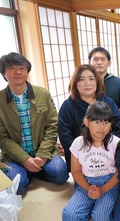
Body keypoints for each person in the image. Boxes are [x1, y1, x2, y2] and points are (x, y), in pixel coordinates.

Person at [0, 52, 68, 195]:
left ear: (27, 71)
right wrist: (24, 159)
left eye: (22, 68)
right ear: (4, 73)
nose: (18, 72)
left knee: (61, 175)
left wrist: (43, 155)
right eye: (12, 68)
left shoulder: (42, 93)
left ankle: (33, 169)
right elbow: (2, 137)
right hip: (14, 156)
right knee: (17, 187)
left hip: (42, 151)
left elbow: (52, 126)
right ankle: (28, 169)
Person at [62, 101, 120, 221]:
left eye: (106, 122)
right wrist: (88, 188)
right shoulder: (78, 143)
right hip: (86, 182)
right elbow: (76, 171)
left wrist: (103, 189)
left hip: (109, 184)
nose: (102, 127)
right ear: (86, 122)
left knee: (101, 217)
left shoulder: (116, 143)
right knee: (70, 215)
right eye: (97, 122)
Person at [58, 64, 120, 172]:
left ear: (97, 82)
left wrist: (103, 148)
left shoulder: (108, 102)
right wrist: (85, 152)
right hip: (80, 159)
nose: (87, 83)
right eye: (82, 79)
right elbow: (65, 136)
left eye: (91, 79)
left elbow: (117, 128)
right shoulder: (67, 106)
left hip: (108, 154)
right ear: (75, 84)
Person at [88, 46, 120, 114]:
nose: (99, 62)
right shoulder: (84, 83)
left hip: (114, 122)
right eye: (95, 59)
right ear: (89, 62)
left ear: (109, 63)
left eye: (102, 59)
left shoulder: (119, 82)